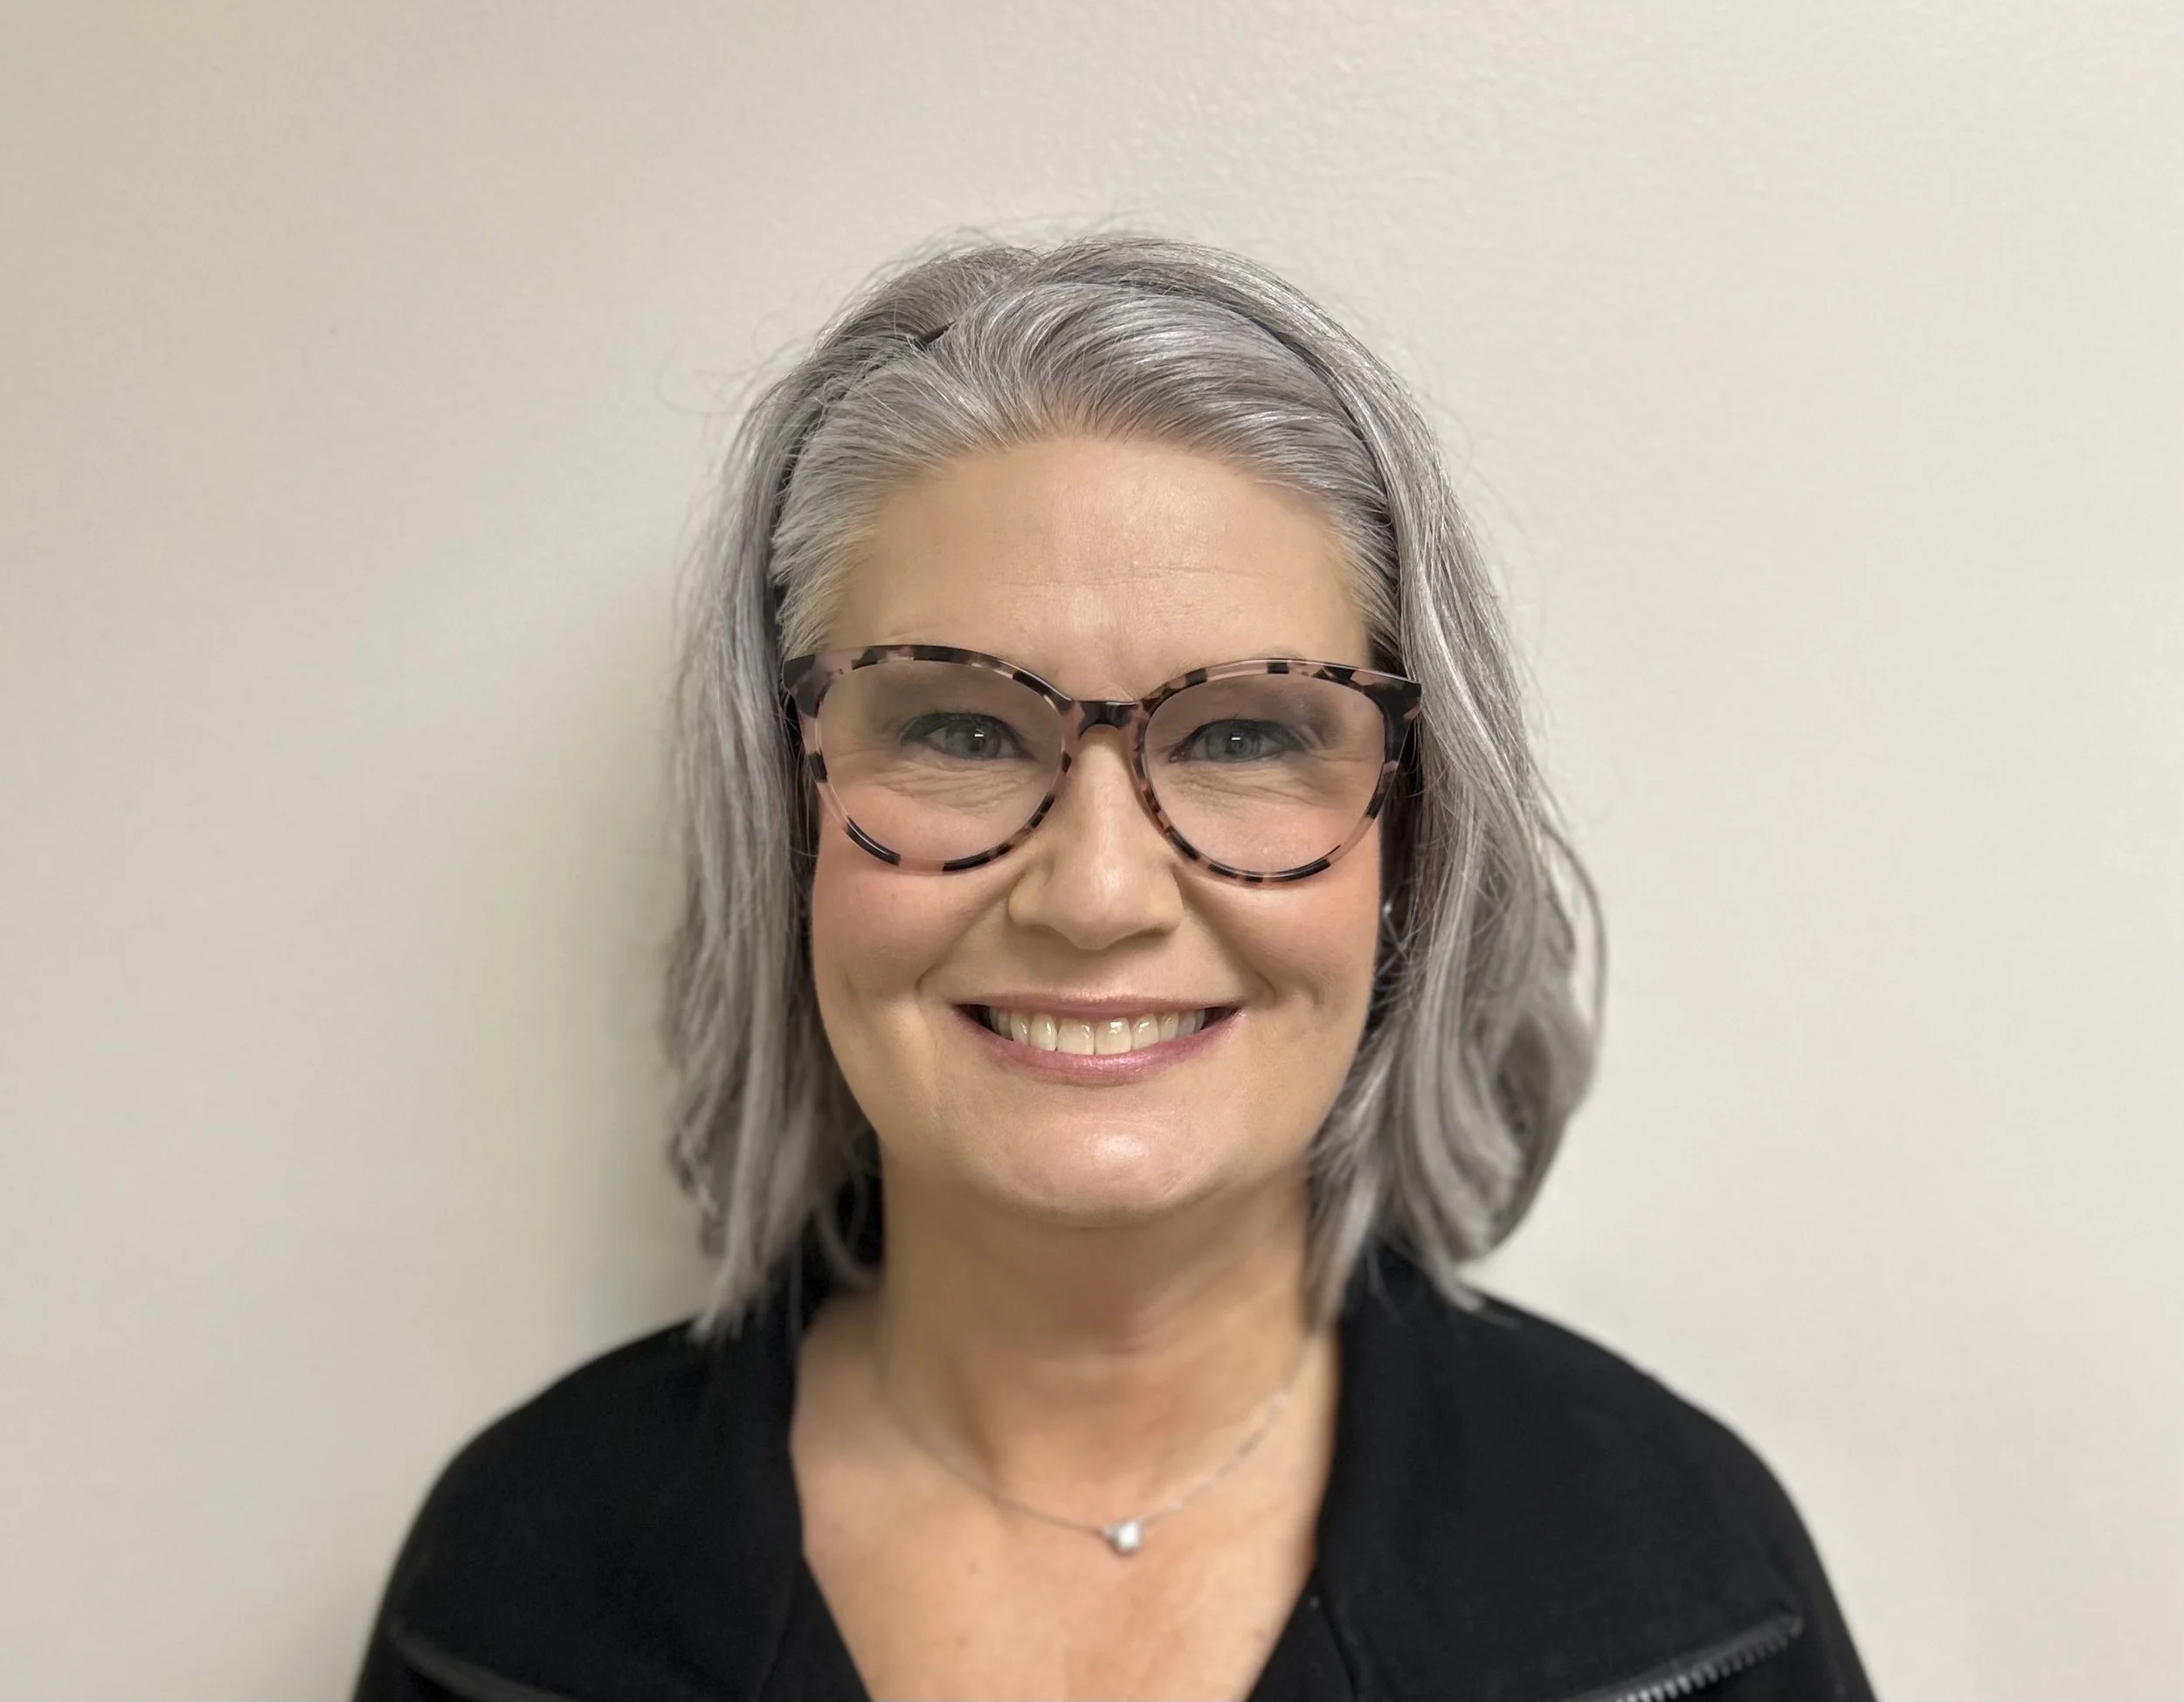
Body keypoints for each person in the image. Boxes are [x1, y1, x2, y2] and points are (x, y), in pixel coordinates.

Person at [352, 235, 1873, 1700]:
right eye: (955, 729)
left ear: (1415, 844)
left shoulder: (1692, 1585)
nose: (1093, 893)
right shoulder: (511, 1592)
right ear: (785, 822)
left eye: (1246, 735)